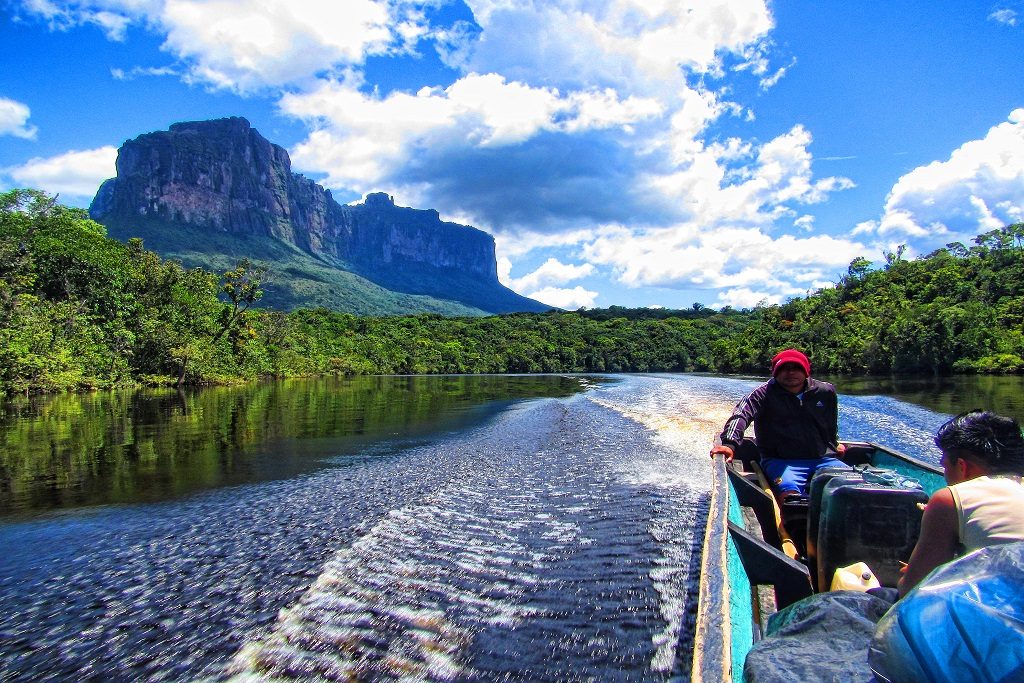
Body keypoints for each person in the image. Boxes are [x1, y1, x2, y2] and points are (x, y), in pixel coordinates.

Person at [897, 409, 1024, 597]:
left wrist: (906, 577)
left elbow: (913, 591)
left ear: (962, 467)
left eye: (945, 466)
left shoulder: (948, 500)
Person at [710, 348, 846, 499]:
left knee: (855, 487)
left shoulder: (825, 391)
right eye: (784, 369)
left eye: (796, 368)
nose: (790, 373)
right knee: (791, 498)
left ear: (806, 370)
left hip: (823, 459)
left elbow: (830, 421)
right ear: (775, 372)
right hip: (780, 460)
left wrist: (834, 443)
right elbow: (740, 416)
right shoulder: (762, 394)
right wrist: (729, 445)